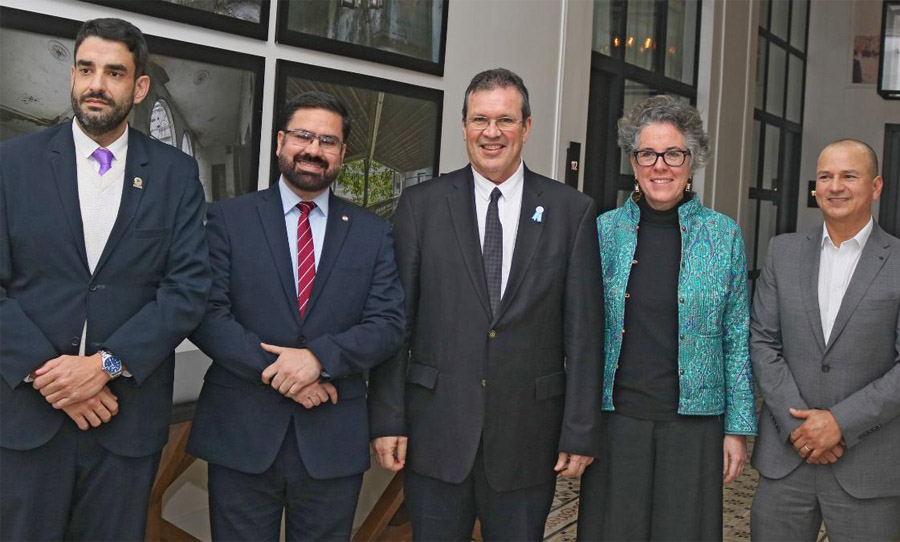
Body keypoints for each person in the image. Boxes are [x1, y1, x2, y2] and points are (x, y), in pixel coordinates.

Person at [367, 68, 605, 541]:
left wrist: (579, 428)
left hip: (527, 438)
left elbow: (584, 334)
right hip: (436, 432)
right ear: (463, 127)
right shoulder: (421, 205)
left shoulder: (571, 211)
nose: (491, 133)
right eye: (480, 119)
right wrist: (388, 416)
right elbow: (398, 323)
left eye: (505, 120)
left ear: (527, 127)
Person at [0, 18, 210, 540]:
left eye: (114, 73)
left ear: (139, 88)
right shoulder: (11, 164)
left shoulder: (175, 175)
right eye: (87, 69)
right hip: (28, 417)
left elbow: (186, 289)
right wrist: (53, 377)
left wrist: (105, 366)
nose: (98, 84)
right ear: (72, 77)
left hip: (125, 420)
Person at [186, 91, 405, 541]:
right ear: (282, 141)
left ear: (343, 153)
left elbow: (388, 324)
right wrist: (284, 372)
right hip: (241, 433)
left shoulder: (374, 233)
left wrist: (318, 360)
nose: (313, 150)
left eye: (328, 141)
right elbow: (207, 313)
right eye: (303, 136)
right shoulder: (228, 219)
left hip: (332, 438)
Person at [578, 95, 756, 541]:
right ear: (634, 164)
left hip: (693, 427)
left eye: (673, 153)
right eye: (648, 154)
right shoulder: (602, 231)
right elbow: (579, 332)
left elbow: (736, 336)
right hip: (617, 422)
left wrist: (737, 428)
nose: (661, 166)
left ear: (692, 162)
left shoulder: (723, 234)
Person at [750, 139, 900, 541]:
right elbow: (763, 342)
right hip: (787, 458)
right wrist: (803, 428)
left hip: (868, 465)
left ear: (876, 186)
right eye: (825, 176)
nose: (835, 186)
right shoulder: (783, 252)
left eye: (849, 176)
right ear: (815, 187)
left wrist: (839, 424)